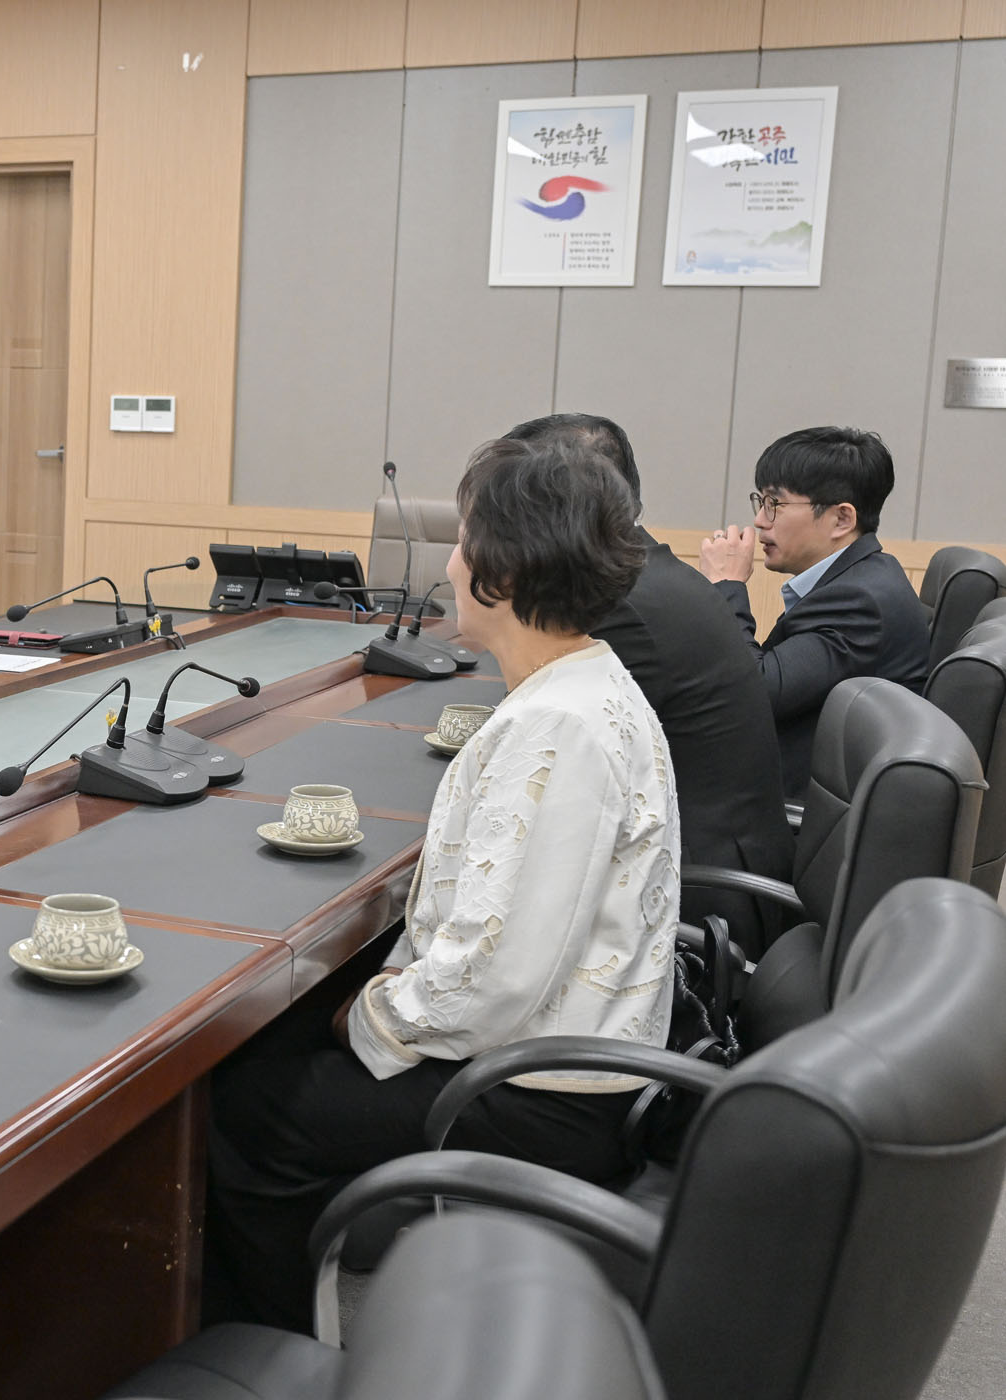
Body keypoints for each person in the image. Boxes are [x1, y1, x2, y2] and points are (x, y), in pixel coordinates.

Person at [203, 437, 678, 1333]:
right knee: (279, 1041)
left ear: (506, 568)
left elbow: (492, 980)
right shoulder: (586, 681)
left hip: (546, 1094)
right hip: (556, 1052)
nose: (452, 563)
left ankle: (277, 1359)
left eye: (464, 541)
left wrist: (367, 1015)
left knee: (247, 1113)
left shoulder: (557, 729)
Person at [506, 413, 791, 955]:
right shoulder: (649, 573)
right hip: (711, 867)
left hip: (700, 908)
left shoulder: (622, 606)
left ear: (556, 506)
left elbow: (547, 764)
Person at [696, 427, 929, 798]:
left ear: (841, 519)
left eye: (775, 503)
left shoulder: (859, 602)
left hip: (795, 810)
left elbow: (753, 693)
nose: (760, 520)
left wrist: (727, 586)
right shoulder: (862, 577)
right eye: (760, 501)